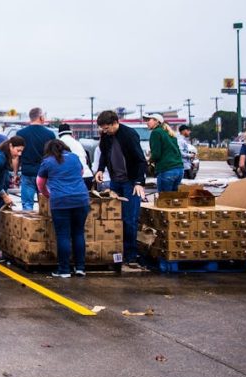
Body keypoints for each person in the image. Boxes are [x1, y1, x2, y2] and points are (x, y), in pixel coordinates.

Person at [95, 110, 148, 272]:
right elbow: (104, 153)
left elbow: (141, 160)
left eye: (106, 128)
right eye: (102, 129)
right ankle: (117, 252)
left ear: (114, 123)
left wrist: (139, 182)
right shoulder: (106, 136)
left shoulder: (129, 135)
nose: (104, 131)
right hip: (115, 181)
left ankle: (131, 256)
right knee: (114, 217)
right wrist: (100, 169)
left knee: (129, 219)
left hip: (130, 182)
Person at [37, 139, 91, 278]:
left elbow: (40, 183)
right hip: (81, 199)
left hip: (60, 201)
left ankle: (64, 270)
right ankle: (80, 268)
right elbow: (81, 172)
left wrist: (47, 194)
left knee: (63, 235)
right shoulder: (74, 157)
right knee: (78, 233)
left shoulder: (48, 161)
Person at [16, 108, 57, 210]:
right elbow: (54, 156)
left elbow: (17, 156)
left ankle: (28, 225)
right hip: (45, 174)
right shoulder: (50, 134)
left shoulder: (21, 133)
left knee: (27, 205)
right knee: (46, 205)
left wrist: (15, 174)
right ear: (41, 117)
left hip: (27, 173)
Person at [144, 113, 184, 192]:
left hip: (167, 169)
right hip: (179, 170)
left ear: (157, 121)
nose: (147, 122)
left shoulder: (156, 132)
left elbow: (156, 154)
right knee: (173, 199)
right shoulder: (169, 132)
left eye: (149, 120)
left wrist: (148, 161)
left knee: (164, 201)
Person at [57, 123, 93, 189]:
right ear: (71, 133)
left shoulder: (59, 143)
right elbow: (86, 160)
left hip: (75, 178)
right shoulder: (77, 143)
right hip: (88, 175)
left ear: (59, 134)